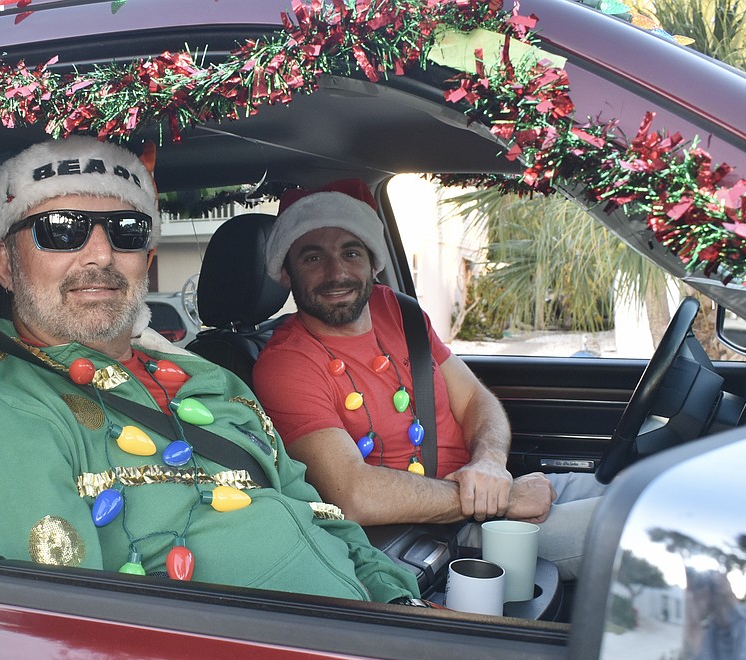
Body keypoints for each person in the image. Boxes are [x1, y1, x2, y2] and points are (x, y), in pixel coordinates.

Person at [0, 138, 420, 605]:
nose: (100, 255)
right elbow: (66, 624)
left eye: (127, 230)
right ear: (6, 265)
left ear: (146, 259)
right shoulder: (4, 395)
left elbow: (320, 512)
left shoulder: (212, 379)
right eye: (59, 229)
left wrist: (401, 604)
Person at [252, 179, 606, 579]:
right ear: (286, 273)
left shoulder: (396, 310)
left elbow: (475, 399)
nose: (337, 273)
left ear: (373, 262)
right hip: (436, 534)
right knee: (649, 529)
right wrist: (497, 498)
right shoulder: (286, 364)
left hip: (482, 494)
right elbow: (352, 494)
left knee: (652, 493)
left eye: (351, 253)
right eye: (312, 258)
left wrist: (490, 464)